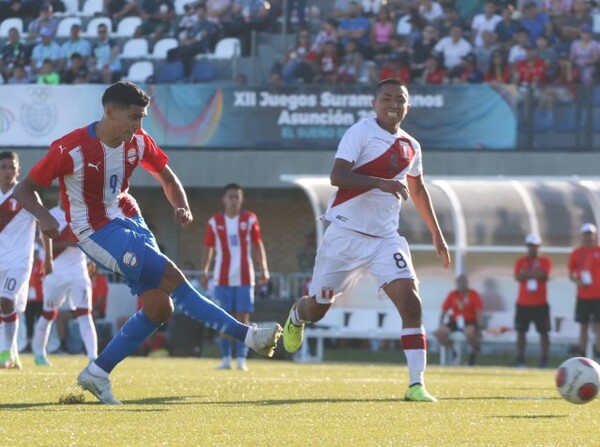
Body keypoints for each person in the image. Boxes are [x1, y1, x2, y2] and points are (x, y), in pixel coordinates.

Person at [13, 81, 282, 404]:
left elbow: (167, 177)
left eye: (142, 117)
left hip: (130, 217)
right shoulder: (70, 149)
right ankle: (248, 336)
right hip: (95, 230)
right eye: (133, 117)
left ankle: (97, 373)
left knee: (159, 307)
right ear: (109, 111)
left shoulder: (138, 141)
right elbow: (23, 189)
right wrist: (44, 216)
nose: (139, 125)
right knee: (169, 274)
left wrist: (180, 204)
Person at [281, 79, 451, 402]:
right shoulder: (359, 133)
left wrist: (437, 234)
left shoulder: (411, 146)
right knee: (318, 308)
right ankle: (296, 316)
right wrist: (381, 183)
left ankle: (416, 384)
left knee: (411, 304)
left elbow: (417, 189)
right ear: (374, 104)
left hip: (386, 240)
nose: (392, 104)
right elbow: (338, 176)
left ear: (407, 107)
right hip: (345, 235)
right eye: (386, 98)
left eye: (399, 100)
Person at [200, 183, 270, 371]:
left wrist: (264, 268)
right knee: (224, 319)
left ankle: (241, 359)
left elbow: (257, 244)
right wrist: (205, 270)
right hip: (222, 278)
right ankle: (225, 359)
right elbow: (208, 248)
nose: (233, 200)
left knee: (243, 319)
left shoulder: (249, 219)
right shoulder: (215, 222)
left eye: (237, 197)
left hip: (245, 277)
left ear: (241, 200)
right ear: (223, 199)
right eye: (230, 196)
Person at [31, 200, 98, 366]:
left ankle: (93, 357)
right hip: (56, 273)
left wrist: (92, 260)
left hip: (78, 273)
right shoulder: (50, 215)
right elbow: (42, 243)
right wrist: (66, 243)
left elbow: (89, 240)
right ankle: (39, 354)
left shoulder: (82, 214)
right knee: (48, 313)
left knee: (85, 313)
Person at [0, 151, 42, 369]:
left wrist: (50, 259)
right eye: (3, 167)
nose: (7, 171)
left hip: (19, 261)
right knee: (5, 308)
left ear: (19, 170)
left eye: (11, 167)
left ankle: (5, 354)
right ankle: (13, 354)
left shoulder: (26, 194)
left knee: (6, 300)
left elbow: (44, 224)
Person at [513, 233, 552, 368]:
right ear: (526, 246)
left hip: (540, 303)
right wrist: (534, 275)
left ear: (539, 247)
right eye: (530, 245)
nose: (532, 248)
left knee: (544, 332)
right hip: (523, 303)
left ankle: (544, 359)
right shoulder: (520, 261)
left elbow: (544, 275)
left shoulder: (545, 261)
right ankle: (521, 358)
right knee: (521, 332)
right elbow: (518, 277)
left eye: (535, 246)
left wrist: (527, 274)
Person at [567, 223, 600, 361]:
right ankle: (582, 355)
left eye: (590, 234)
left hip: (598, 295)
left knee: (599, 326)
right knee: (583, 326)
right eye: (586, 234)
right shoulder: (577, 253)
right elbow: (571, 273)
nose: (588, 237)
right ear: (582, 236)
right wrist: (577, 281)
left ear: (594, 235)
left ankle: (598, 355)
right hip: (583, 296)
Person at [435, 274, 483, 365]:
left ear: (467, 283)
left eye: (463, 282)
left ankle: (474, 352)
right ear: (456, 284)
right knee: (440, 333)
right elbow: (444, 310)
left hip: (470, 321)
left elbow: (479, 311)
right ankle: (453, 350)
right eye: (459, 282)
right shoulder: (452, 295)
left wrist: (479, 326)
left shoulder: (473, 294)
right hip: (455, 322)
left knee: (470, 333)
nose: (461, 285)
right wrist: (441, 323)